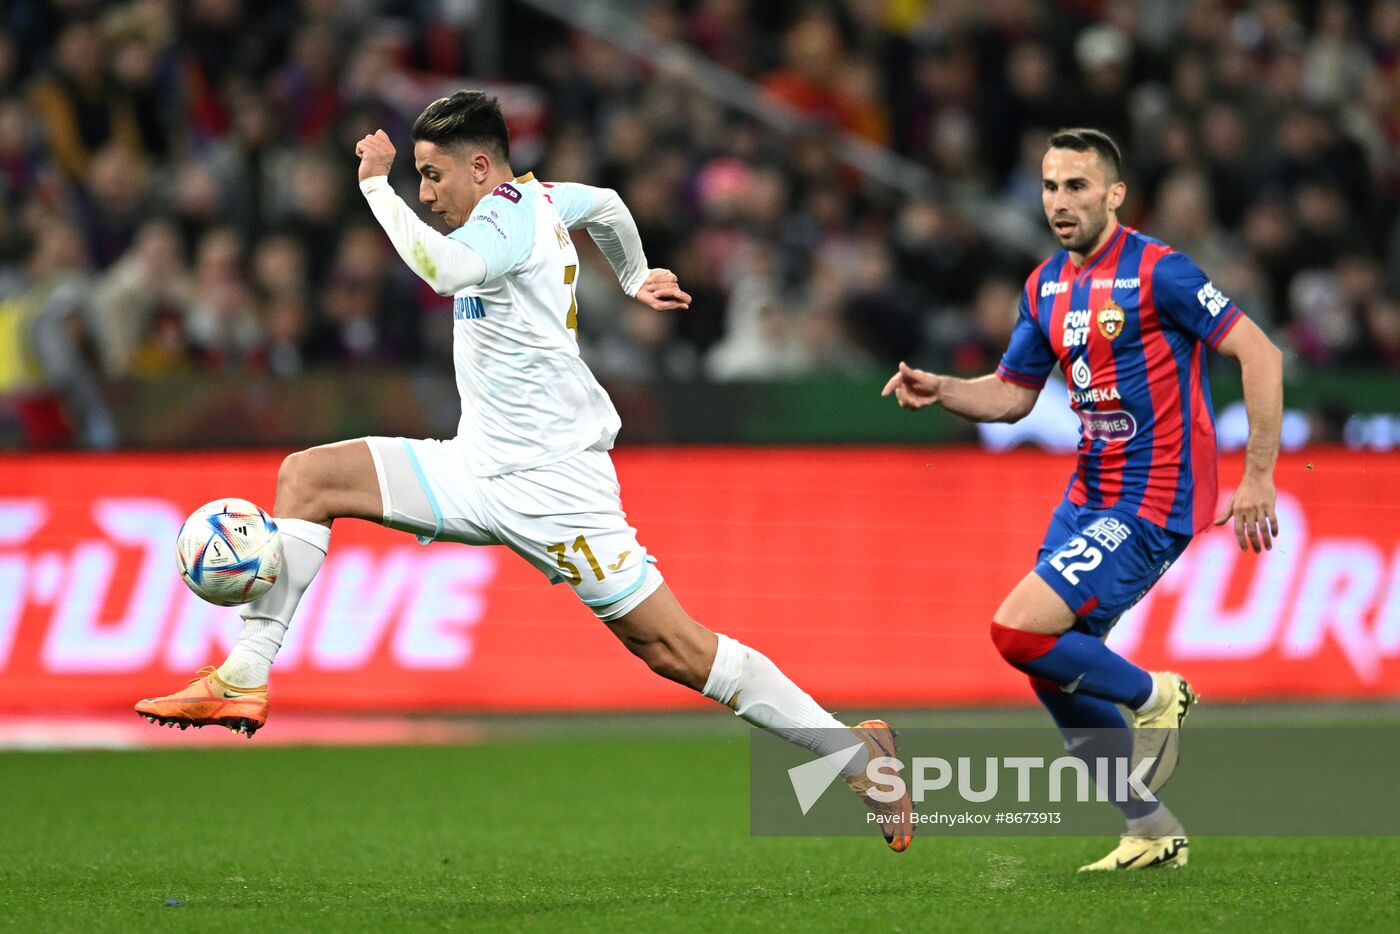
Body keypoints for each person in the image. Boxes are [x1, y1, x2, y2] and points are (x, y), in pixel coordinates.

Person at [135, 91, 913, 852]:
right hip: (475, 465)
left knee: (674, 650)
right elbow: (604, 203)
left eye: (433, 175)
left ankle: (853, 756)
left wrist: (374, 185)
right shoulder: (537, 198)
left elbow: (441, 273)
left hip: (554, 488)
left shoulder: (504, 219)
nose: (427, 192)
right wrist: (635, 274)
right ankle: (245, 672)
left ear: (481, 167)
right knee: (308, 477)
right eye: (416, 176)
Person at [882, 128, 1283, 871]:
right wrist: (942, 389)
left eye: (1076, 187)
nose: (1060, 202)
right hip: (1088, 495)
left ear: (1114, 194)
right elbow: (1009, 397)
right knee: (1048, 664)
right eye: (1049, 186)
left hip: (1155, 498)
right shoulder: (1044, 287)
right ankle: (1150, 828)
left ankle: (1156, 693)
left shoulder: (1162, 272)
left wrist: (1257, 474)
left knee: (1016, 631)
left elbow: (1260, 352)